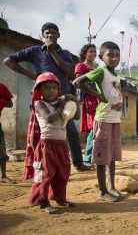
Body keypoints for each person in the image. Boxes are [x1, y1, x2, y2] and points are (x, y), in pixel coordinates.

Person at [3, 22, 92, 177]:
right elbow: (8, 61)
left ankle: (77, 163)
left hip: (63, 99)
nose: (50, 36)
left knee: (70, 131)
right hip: (42, 100)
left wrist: (53, 53)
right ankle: (40, 166)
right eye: (47, 33)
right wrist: (33, 76)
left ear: (58, 35)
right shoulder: (34, 51)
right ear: (42, 36)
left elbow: (71, 73)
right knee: (41, 133)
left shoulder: (64, 53)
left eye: (53, 33)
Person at [73, 41, 123, 202]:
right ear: (102, 57)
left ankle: (112, 187)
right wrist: (98, 95)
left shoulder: (115, 75)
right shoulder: (100, 71)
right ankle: (102, 191)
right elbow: (77, 82)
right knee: (102, 158)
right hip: (103, 120)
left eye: (117, 55)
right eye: (110, 55)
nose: (114, 58)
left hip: (114, 120)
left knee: (112, 156)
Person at [29, 72, 79, 214]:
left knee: (62, 173)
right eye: (46, 88)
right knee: (45, 173)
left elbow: (77, 116)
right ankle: (43, 202)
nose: (51, 91)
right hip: (46, 145)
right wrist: (61, 105)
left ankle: (60, 198)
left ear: (58, 90)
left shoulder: (61, 103)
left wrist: (74, 101)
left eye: (54, 88)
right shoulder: (39, 104)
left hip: (62, 145)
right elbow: (50, 118)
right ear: (39, 91)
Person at [74, 44, 99, 164]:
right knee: (94, 129)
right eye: (91, 52)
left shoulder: (95, 69)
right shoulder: (80, 66)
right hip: (89, 100)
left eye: (95, 52)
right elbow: (79, 82)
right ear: (84, 53)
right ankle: (87, 159)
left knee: (97, 129)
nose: (93, 54)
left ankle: (93, 157)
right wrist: (93, 90)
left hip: (98, 100)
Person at [0, 83, 14, 183]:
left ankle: (3, 176)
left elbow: (10, 104)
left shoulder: (1, 87)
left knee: (1, 149)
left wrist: (2, 101)